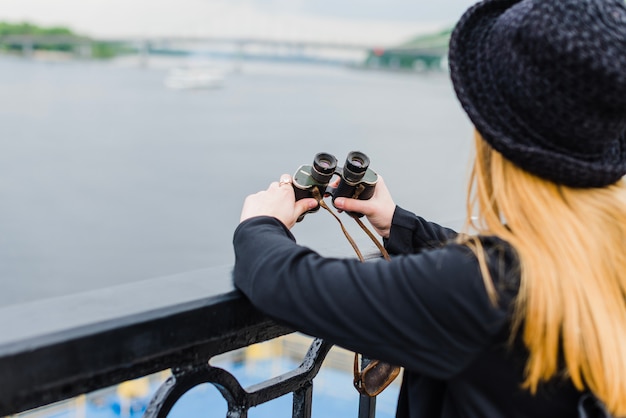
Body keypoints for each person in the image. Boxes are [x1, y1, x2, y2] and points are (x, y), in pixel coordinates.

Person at [232, 0, 626, 416]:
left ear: (494, 141)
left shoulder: (482, 289)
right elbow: (494, 268)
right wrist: (400, 225)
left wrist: (261, 223)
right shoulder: (605, 252)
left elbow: (290, 286)